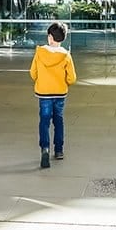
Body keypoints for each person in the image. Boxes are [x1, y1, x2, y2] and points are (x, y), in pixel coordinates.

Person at [29, 21, 77, 168]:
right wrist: (64, 83)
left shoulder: (40, 53)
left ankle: (45, 148)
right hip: (60, 93)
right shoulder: (66, 55)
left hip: (43, 94)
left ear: (50, 37)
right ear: (63, 38)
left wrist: (42, 80)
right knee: (59, 121)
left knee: (44, 121)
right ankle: (59, 150)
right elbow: (72, 78)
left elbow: (33, 73)